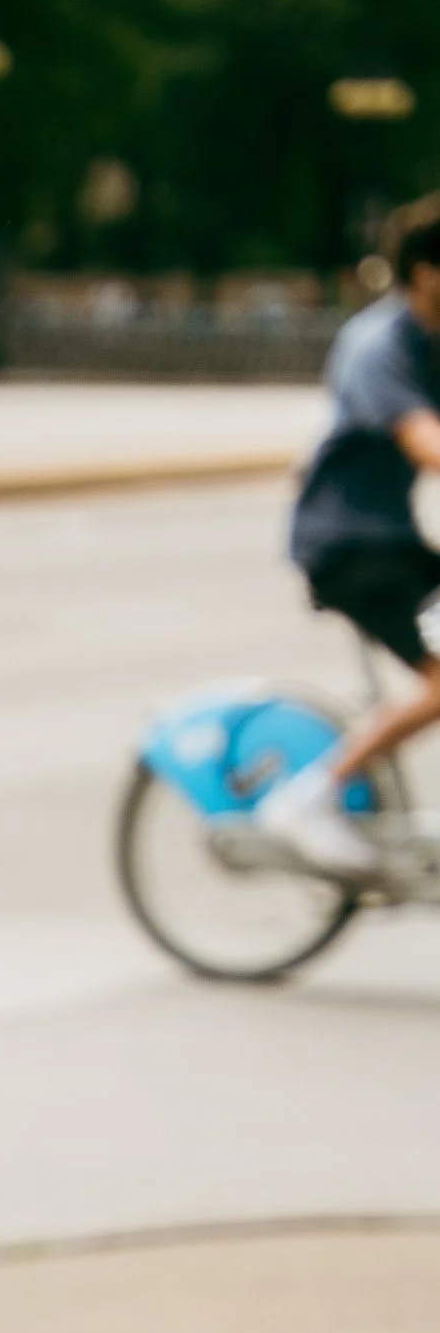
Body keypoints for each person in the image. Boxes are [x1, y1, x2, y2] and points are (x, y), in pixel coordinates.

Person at [260, 196, 440, 872]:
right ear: (427, 273)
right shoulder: (379, 344)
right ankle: (309, 797)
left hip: (390, 542)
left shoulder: (432, 341)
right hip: (347, 550)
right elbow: (425, 439)